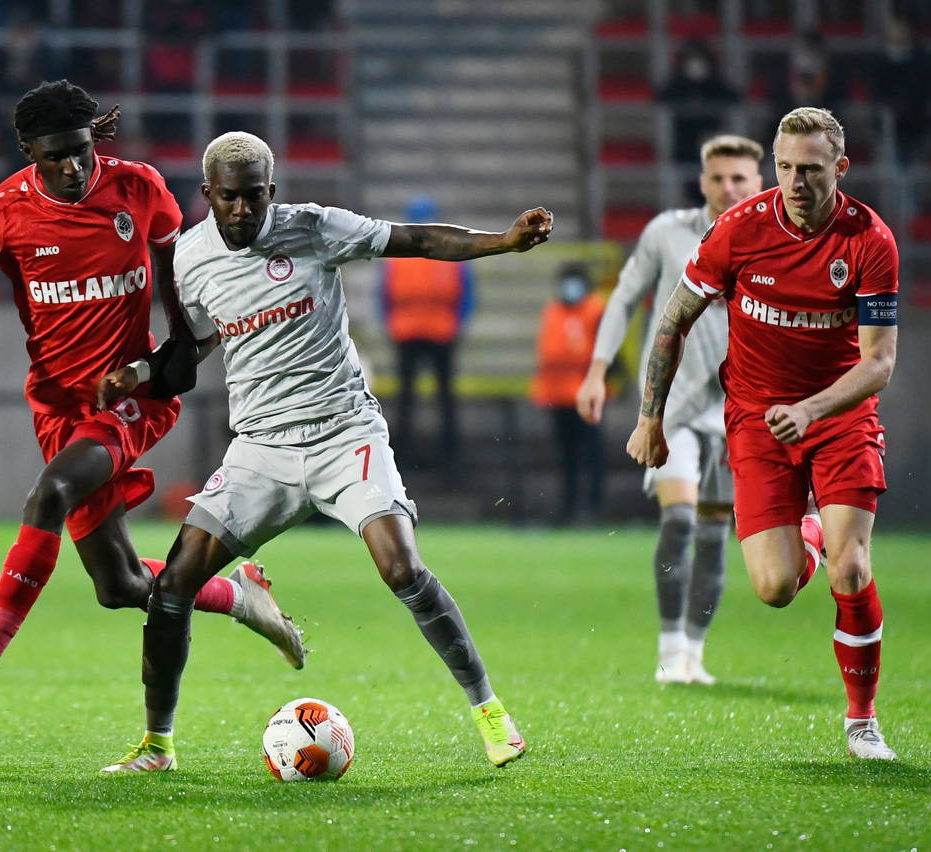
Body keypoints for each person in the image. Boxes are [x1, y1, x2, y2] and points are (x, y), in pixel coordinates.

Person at [0, 82, 306, 729]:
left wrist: (170, 360)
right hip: (58, 410)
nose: (73, 167)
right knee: (119, 586)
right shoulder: (2, 214)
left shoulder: (139, 190)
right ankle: (237, 595)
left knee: (49, 496)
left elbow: (184, 295)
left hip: (130, 400)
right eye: (56, 156)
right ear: (28, 151)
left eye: (81, 151)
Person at [96, 131, 553, 773]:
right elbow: (191, 345)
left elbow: (416, 241)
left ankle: (490, 712)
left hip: (344, 433)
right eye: (229, 198)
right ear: (208, 194)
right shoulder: (191, 259)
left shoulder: (312, 228)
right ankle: (157, 746)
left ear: (271, 192)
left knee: (402, 568)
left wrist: (501, 242)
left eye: (255, 197)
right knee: (173, 585)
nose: (242, 210)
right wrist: (139, 374)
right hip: (261, 448)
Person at [627, 108, 900, 760]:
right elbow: (673, 320)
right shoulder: (739, 230)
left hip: (840, 418)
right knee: (775, 588)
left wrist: (811, 410)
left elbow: (879, 363)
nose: (795, 182)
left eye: (810, 169)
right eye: (784, 168)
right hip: (756, 422)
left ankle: (862, 721)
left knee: (851, 567)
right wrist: (650, 418)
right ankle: (811, 532)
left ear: (840, 167)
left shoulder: (870, 240)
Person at [577, 135, 764, 684]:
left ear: (758, 183)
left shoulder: (773, 241)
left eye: (739, 179)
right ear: (702, 182)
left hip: (736, 410)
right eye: (718, 178)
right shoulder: (667, 233)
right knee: (680, 519)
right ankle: (669, 648)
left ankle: (694, 654)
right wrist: (597, 369)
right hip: (672, 407)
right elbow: (624, 297)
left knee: (714, 534)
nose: (728, 188)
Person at [380, 195, 474, 465]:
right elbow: (385, 295)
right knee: (412, 396)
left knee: (435, 396)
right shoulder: (438, 254)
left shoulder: (439, 254)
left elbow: (466, 294)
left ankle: (444, 452)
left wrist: (458, 323)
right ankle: (414, 451)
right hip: (413, 332)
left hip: (436, 333)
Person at [532, 263, 606, 523]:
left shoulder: (595, 310)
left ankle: (594, 509)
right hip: (558, 395)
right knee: (566, 457)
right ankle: (567, 509)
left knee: (591, 455)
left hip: (586, 394)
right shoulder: (552, 311)